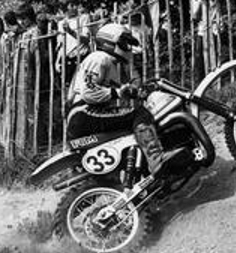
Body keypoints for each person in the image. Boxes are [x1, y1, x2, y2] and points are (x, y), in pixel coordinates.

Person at [66, 23, 185, 176]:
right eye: (124, 42)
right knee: (138, 113)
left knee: (130, 124)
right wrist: (117, 92)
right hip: (83, 112)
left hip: (88, 114)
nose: (128, 47)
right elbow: (88, 91)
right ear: (110, 42)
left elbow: (114, 91)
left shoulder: (112, 63)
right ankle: (156, 159)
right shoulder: (99, 58)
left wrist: (132, 92)